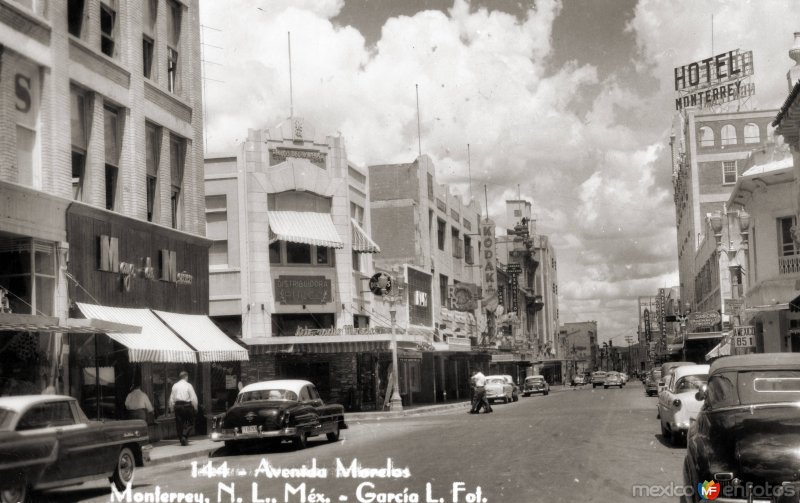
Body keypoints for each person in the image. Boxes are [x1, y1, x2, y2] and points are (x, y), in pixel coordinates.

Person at [169, 371, 198, 446]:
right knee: (191, 422)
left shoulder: (175, 385)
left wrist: (171, 408)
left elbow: (171, 398)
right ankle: (184, 436)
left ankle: (181, 438)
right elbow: (193, 398)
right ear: (186, 377)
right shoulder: (188, 385)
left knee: (179, 423)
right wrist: (195, 407)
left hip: (177, 406)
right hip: (187, 406)